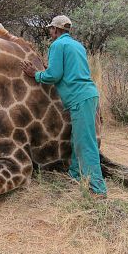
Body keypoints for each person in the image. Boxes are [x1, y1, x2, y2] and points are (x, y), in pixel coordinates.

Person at [20, 15, 107, 198]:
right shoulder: (78, 45)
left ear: (57, 30)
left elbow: (54, 75)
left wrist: (35, 74)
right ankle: (75, 174)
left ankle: (98, 189)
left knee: (86, 143)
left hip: (79, 98)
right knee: (77, 138)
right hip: (88, 95)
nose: (50, 32)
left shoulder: (57, 45)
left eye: (51, 29)